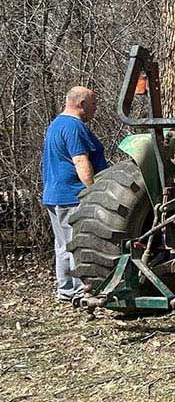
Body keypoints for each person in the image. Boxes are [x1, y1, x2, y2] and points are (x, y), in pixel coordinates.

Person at [41, 87, 107, 303]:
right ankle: (81, 292)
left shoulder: (56, 124)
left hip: (54, 195)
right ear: (81, 104)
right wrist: (93, 192)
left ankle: (66, 290)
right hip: (72, 196)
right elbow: (80, 161)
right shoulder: (73, 126)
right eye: (93, 105)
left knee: (63, 246)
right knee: (76, 246)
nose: (95, 109)